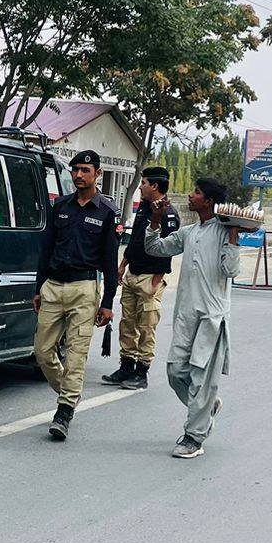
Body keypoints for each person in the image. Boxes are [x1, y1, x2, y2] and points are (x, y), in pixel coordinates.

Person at [143, 177, 242, 459]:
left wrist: (233, 237)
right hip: (186, 314)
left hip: (211, 317)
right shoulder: (189, 232)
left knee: (201, 378)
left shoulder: (223, 231)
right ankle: (205, 407)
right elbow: (156, 249)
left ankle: (194, 437)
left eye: (196, 193)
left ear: (208, 201)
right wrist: (155, 221)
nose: (190, 195)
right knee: (176, 371)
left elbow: (231, 271)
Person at [33, 150, 119, 440]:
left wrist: (107, 303)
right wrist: (38, 288)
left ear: (98, 173)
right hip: (53, 287)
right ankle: (71, 391)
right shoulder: (60, 206)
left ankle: (64, 410)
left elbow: (109, 263)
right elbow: (46, 250)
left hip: (85, 289)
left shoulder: (107, 212)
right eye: (75, 170)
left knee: (76, 355)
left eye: (85, 170)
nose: (79, 175)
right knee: (43, 352)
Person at [103, 167, 181, 390]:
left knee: (146, 326)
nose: (140, 186)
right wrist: (122, 266)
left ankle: (141, 372)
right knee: (127, 323)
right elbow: (136, 240)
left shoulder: (168, 214)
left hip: (150, 279)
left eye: (144, 183)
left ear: (154, 186)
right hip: (132, 273)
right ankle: (126, 367)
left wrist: (157, 280)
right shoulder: (145, 208)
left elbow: (170, 248)